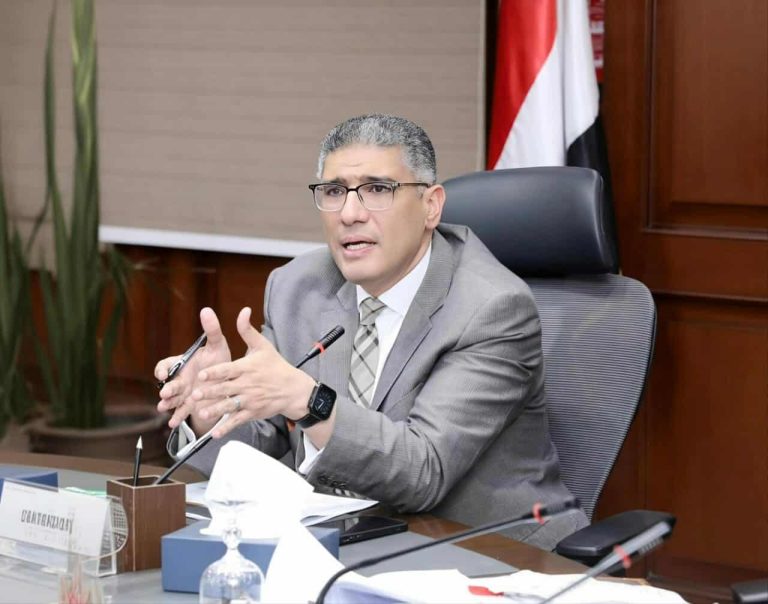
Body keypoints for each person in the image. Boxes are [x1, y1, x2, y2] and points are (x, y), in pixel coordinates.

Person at [156, 114, 587, 549]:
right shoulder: (297, 287)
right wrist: (211, 407)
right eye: (334, 191)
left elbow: (423, 470)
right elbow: (266, 439)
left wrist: (309, 401)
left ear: (431, 206)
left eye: (377, 190)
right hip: (346, 545)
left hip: (489, 553)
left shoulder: (492, 308)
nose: (350, 214)